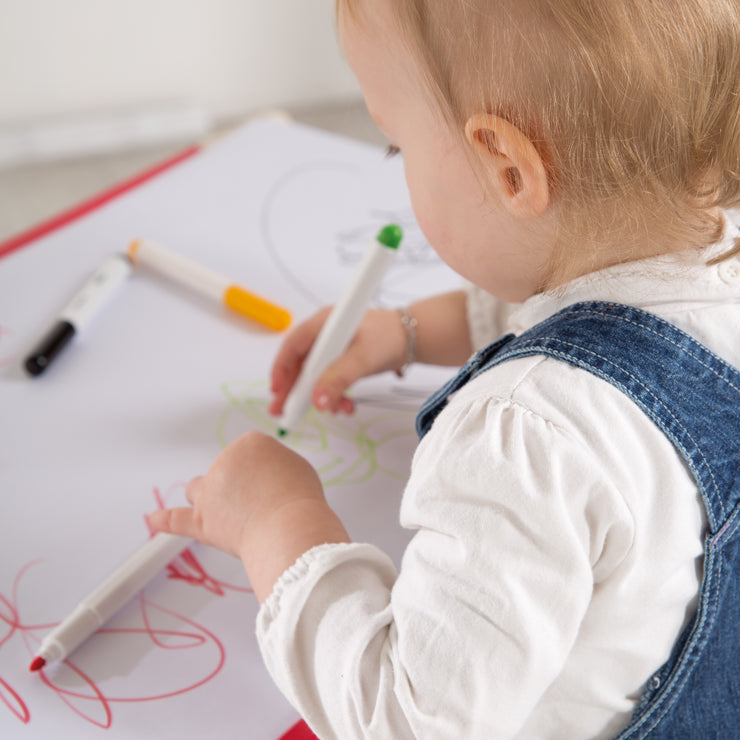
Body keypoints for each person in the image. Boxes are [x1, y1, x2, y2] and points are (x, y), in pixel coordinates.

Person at [150, 0, 740, 736]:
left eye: (396, 147)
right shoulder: (717, 257)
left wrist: (277, 520)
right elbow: (606, 318)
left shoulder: (525, 437)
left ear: (508, 168)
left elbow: (407, 717)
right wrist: (405, 332)